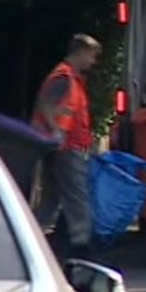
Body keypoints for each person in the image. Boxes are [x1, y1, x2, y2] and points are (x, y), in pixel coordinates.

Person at [31, 33, 101, 259]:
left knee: (51, 197)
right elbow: (46, 106)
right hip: (66, 147)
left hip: (57, 146)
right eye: (91, 56)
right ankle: (81, 244)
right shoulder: (64, 77)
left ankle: (32, 237)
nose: (93, 61)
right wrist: (56, 131)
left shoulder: (68, 77)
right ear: (81, 52)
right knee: (76, 195)